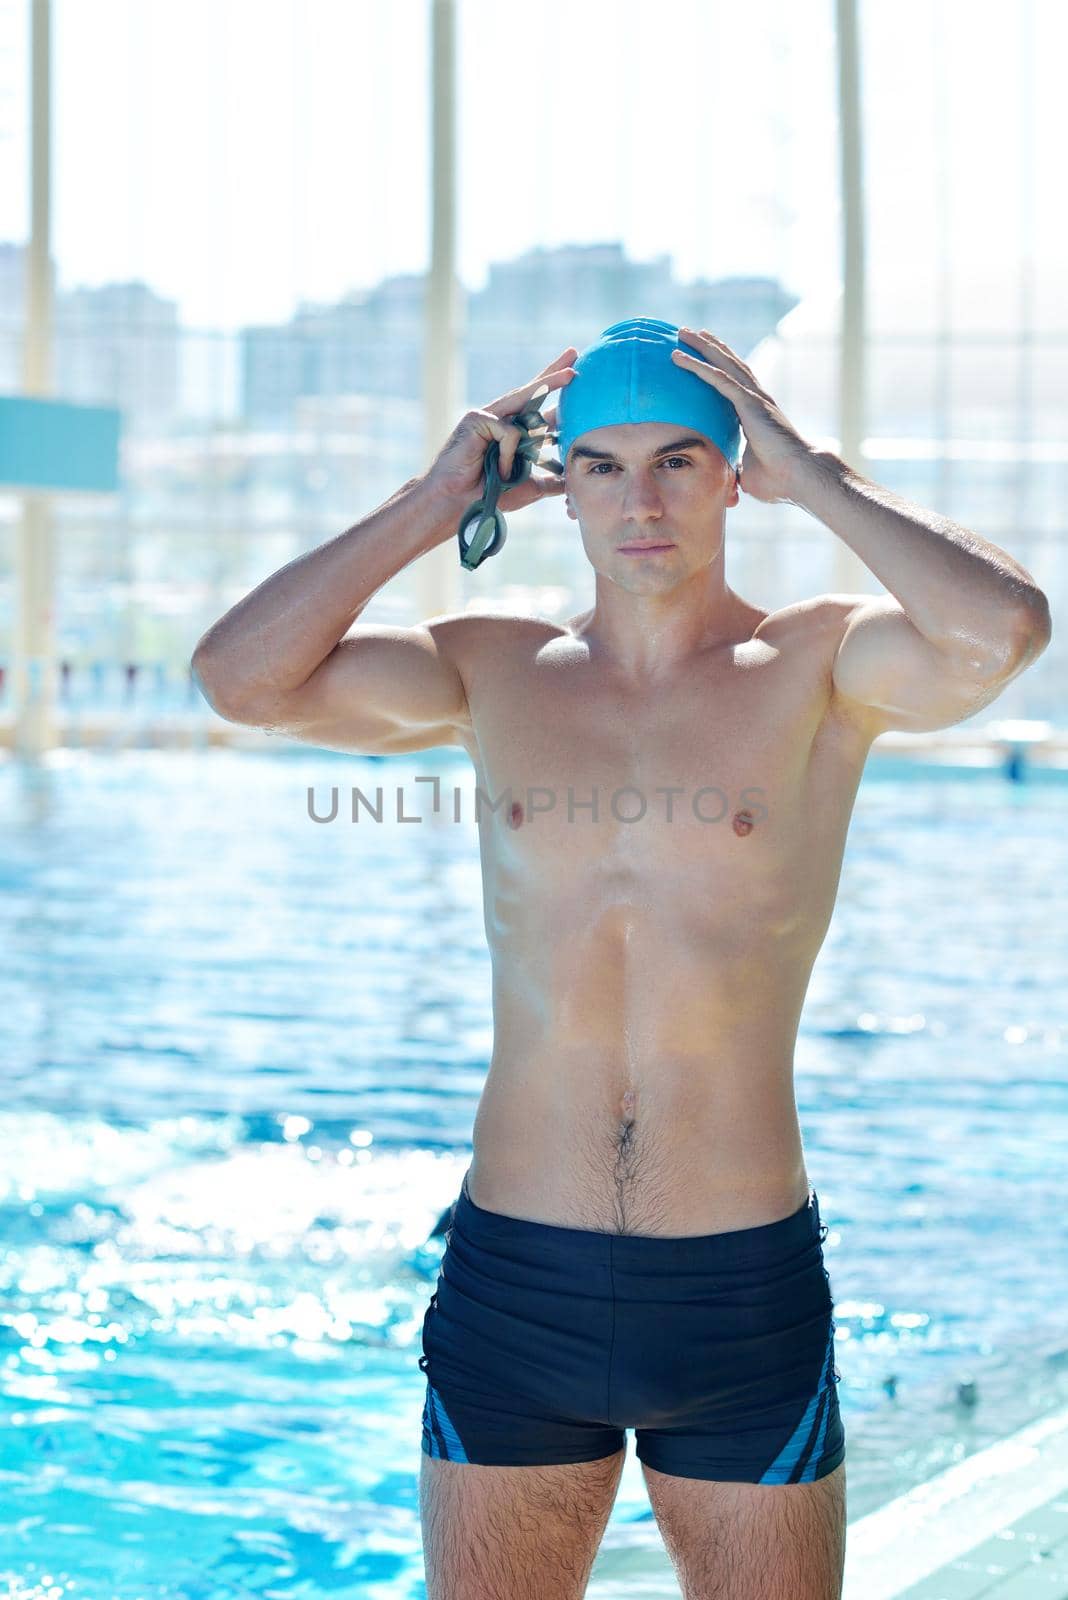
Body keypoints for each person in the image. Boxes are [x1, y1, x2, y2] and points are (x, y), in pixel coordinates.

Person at [190, 317, 1051, 1600]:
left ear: (732, 471)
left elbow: (1005, 632)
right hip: (514, 1285)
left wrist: (815, 470)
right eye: (600, 464)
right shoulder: (493, 670)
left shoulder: (820, 666)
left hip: (738, 1286)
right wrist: (430, 504)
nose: (638, 499)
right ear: (559, 485)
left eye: (677, 462)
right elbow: (240, 680)